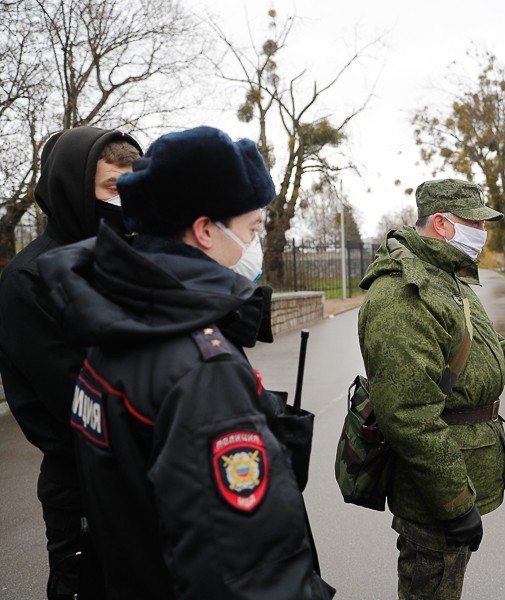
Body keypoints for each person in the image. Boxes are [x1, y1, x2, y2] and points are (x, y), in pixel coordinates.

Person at [36, 126, 335, 599]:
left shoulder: (117, 321)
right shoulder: (200, 365)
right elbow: (245, 573)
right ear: (204, 230)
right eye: (251, 228)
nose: (255, 242)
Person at [357, 178, 505, 600]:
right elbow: (409, 419)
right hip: (433, 495)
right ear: (442, 224)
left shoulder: (444, 277)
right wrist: (454, 502)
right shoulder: (403, 294)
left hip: (459, 471)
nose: (483, 234)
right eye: (475, 223)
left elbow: (483, 346)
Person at [0, 126, 141, 599]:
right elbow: (78, 400)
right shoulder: (30, 279)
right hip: (84, 492)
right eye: (112, 189)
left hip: (151, 485)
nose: (125, 202)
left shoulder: (130, 262)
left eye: (134, 188)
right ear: (73, 189)